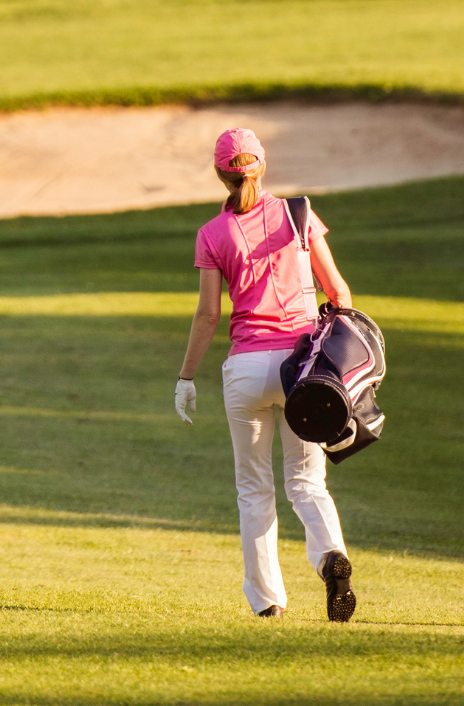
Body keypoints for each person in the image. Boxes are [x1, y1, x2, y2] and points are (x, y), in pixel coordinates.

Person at [173, 127, 359, 621]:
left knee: (254, 490)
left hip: (247, 370)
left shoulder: (212, 234)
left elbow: (209, 315)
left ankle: (268, 603)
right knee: (307, 482)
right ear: (261, 164)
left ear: (220, 175)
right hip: (303, 369)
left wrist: (186, 377)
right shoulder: (297, 214)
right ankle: (330, 557)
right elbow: (338, 292)